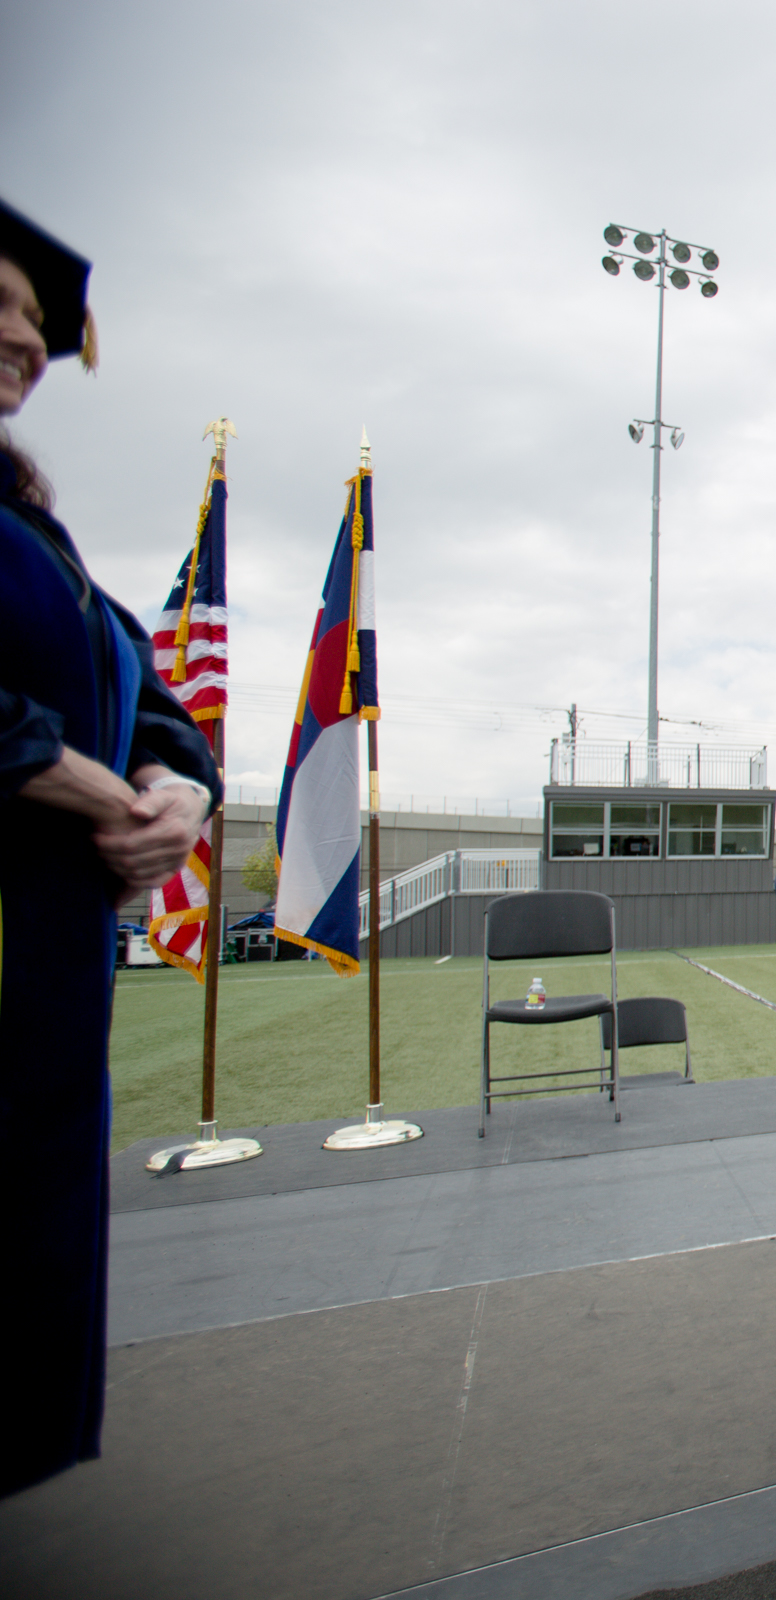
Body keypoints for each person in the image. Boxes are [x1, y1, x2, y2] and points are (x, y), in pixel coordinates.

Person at [0, 200, 220, 1497]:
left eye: (35, 318)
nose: (29, 340)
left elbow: (141, 683)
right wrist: (89, 790)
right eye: (4, 315)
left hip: (42, 962)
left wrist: (175, 789)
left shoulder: (37, 530)